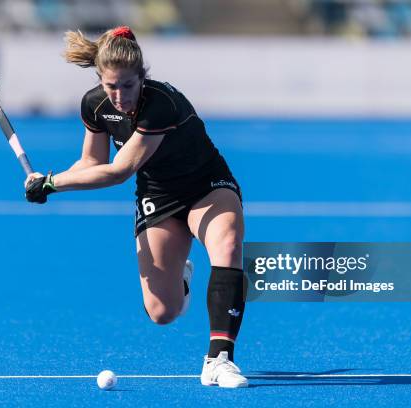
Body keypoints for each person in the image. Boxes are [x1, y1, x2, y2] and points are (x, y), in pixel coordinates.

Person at [24, 26, 248, 388]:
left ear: (142, 78)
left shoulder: (160, 104)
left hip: (206, 184)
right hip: (158, 195)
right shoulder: (95, 105)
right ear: (100, 79)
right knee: (162, 312)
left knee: (229, 245)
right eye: (111, 86)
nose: (119, 95)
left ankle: (219, 359)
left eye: (128, 85)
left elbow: (118, 171)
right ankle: (182, 279)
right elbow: (91, 162)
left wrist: (54, 183)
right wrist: (46, 179)